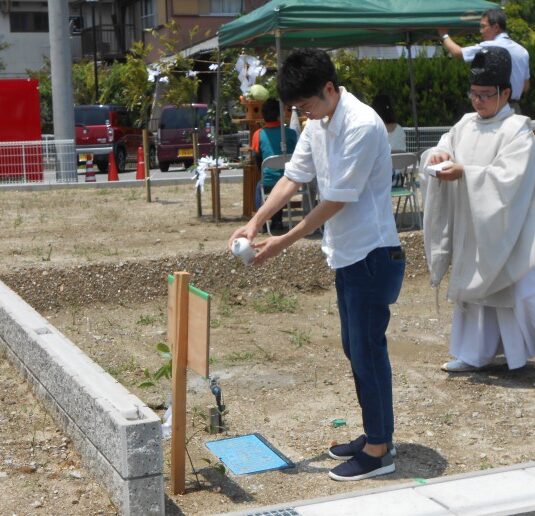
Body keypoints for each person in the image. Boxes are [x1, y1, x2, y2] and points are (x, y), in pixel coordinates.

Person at [228, 49, 405, 481]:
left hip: (373, 254)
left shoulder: (361, 125)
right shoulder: (319, 121)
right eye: (298, 109)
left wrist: (283, 241)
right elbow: (293, 176)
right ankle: (374, 433)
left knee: (367, 350)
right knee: (356, 348)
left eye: (306, 106)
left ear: (329, 89)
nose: (303, 115)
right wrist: (254, 222)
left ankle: (380, 449)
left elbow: (337, 199)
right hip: (347, 255)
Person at [421, 46, 535, 373]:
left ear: (505, 93)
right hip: (470, 226)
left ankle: (516, 354)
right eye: (474, 94)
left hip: (506, 229)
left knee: (514, 292)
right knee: (472, 292)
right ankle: (473, 354)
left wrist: (466, 173)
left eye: (486, 95)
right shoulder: (465, 124)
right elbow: (444, 145)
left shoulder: (518, 131)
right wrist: (438, 156)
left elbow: (510, 178)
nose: (478, 101)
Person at [438, 8, 530, 111]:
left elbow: (458, 53)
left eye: (483, 26)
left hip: (495, 108)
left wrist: (444, 35)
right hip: (515, 109)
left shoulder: (490, 46)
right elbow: (525, 86)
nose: (480, 31)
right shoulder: (523, 51)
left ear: (495, 27)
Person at [252, 98, 297, 231]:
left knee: (261, 186)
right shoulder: (291, 134)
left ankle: (261, 222)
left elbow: (257, 158)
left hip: (268, 178)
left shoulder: (258, 134)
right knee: (279, 184)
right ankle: (277, 221)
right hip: (289, 179)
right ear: (280, 115)